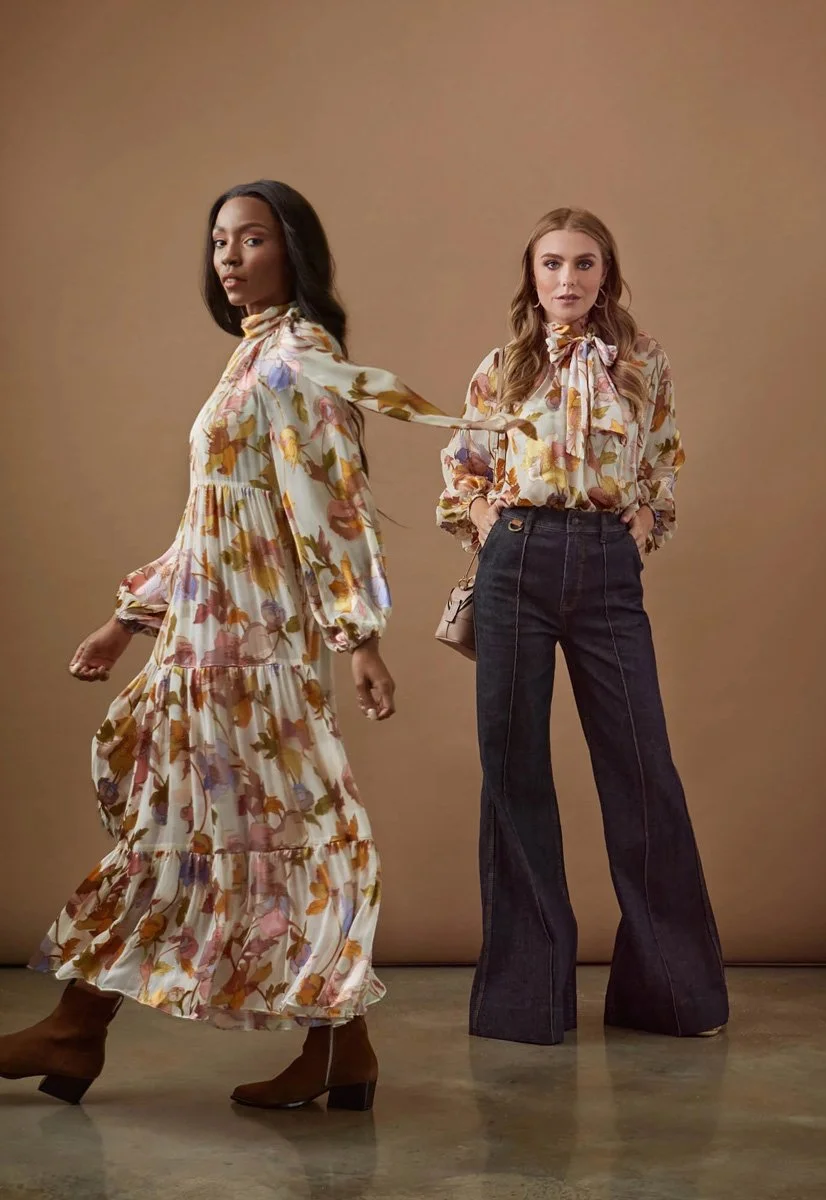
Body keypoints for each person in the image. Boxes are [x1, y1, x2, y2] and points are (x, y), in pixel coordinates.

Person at [0, 180, 512, 1110]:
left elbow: (329, 503)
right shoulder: (252, 359)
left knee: (262, 828)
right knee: (221, 826)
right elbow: (214, 520)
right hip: (203, 636)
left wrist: (356, 635)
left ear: (294, 252)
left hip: (251, 646)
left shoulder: (299, 360)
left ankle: (88, 1031)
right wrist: (131, 617)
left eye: (252, 240)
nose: (229, 258)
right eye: (219, 242)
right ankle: (301, 1048)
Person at [438, 207, 729, 1046]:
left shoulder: (641, 364)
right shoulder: (500, 369)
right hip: (516, 563)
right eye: (551, 264)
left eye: (585, 264)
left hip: (605, 565)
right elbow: (463, 463)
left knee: (641, 766)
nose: (567, 280)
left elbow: (664, 454)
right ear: (530, 276)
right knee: (513, 768)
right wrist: (488, 520)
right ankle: (526, 1002)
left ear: (607, 276)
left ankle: (669, 995)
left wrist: (648, 520)